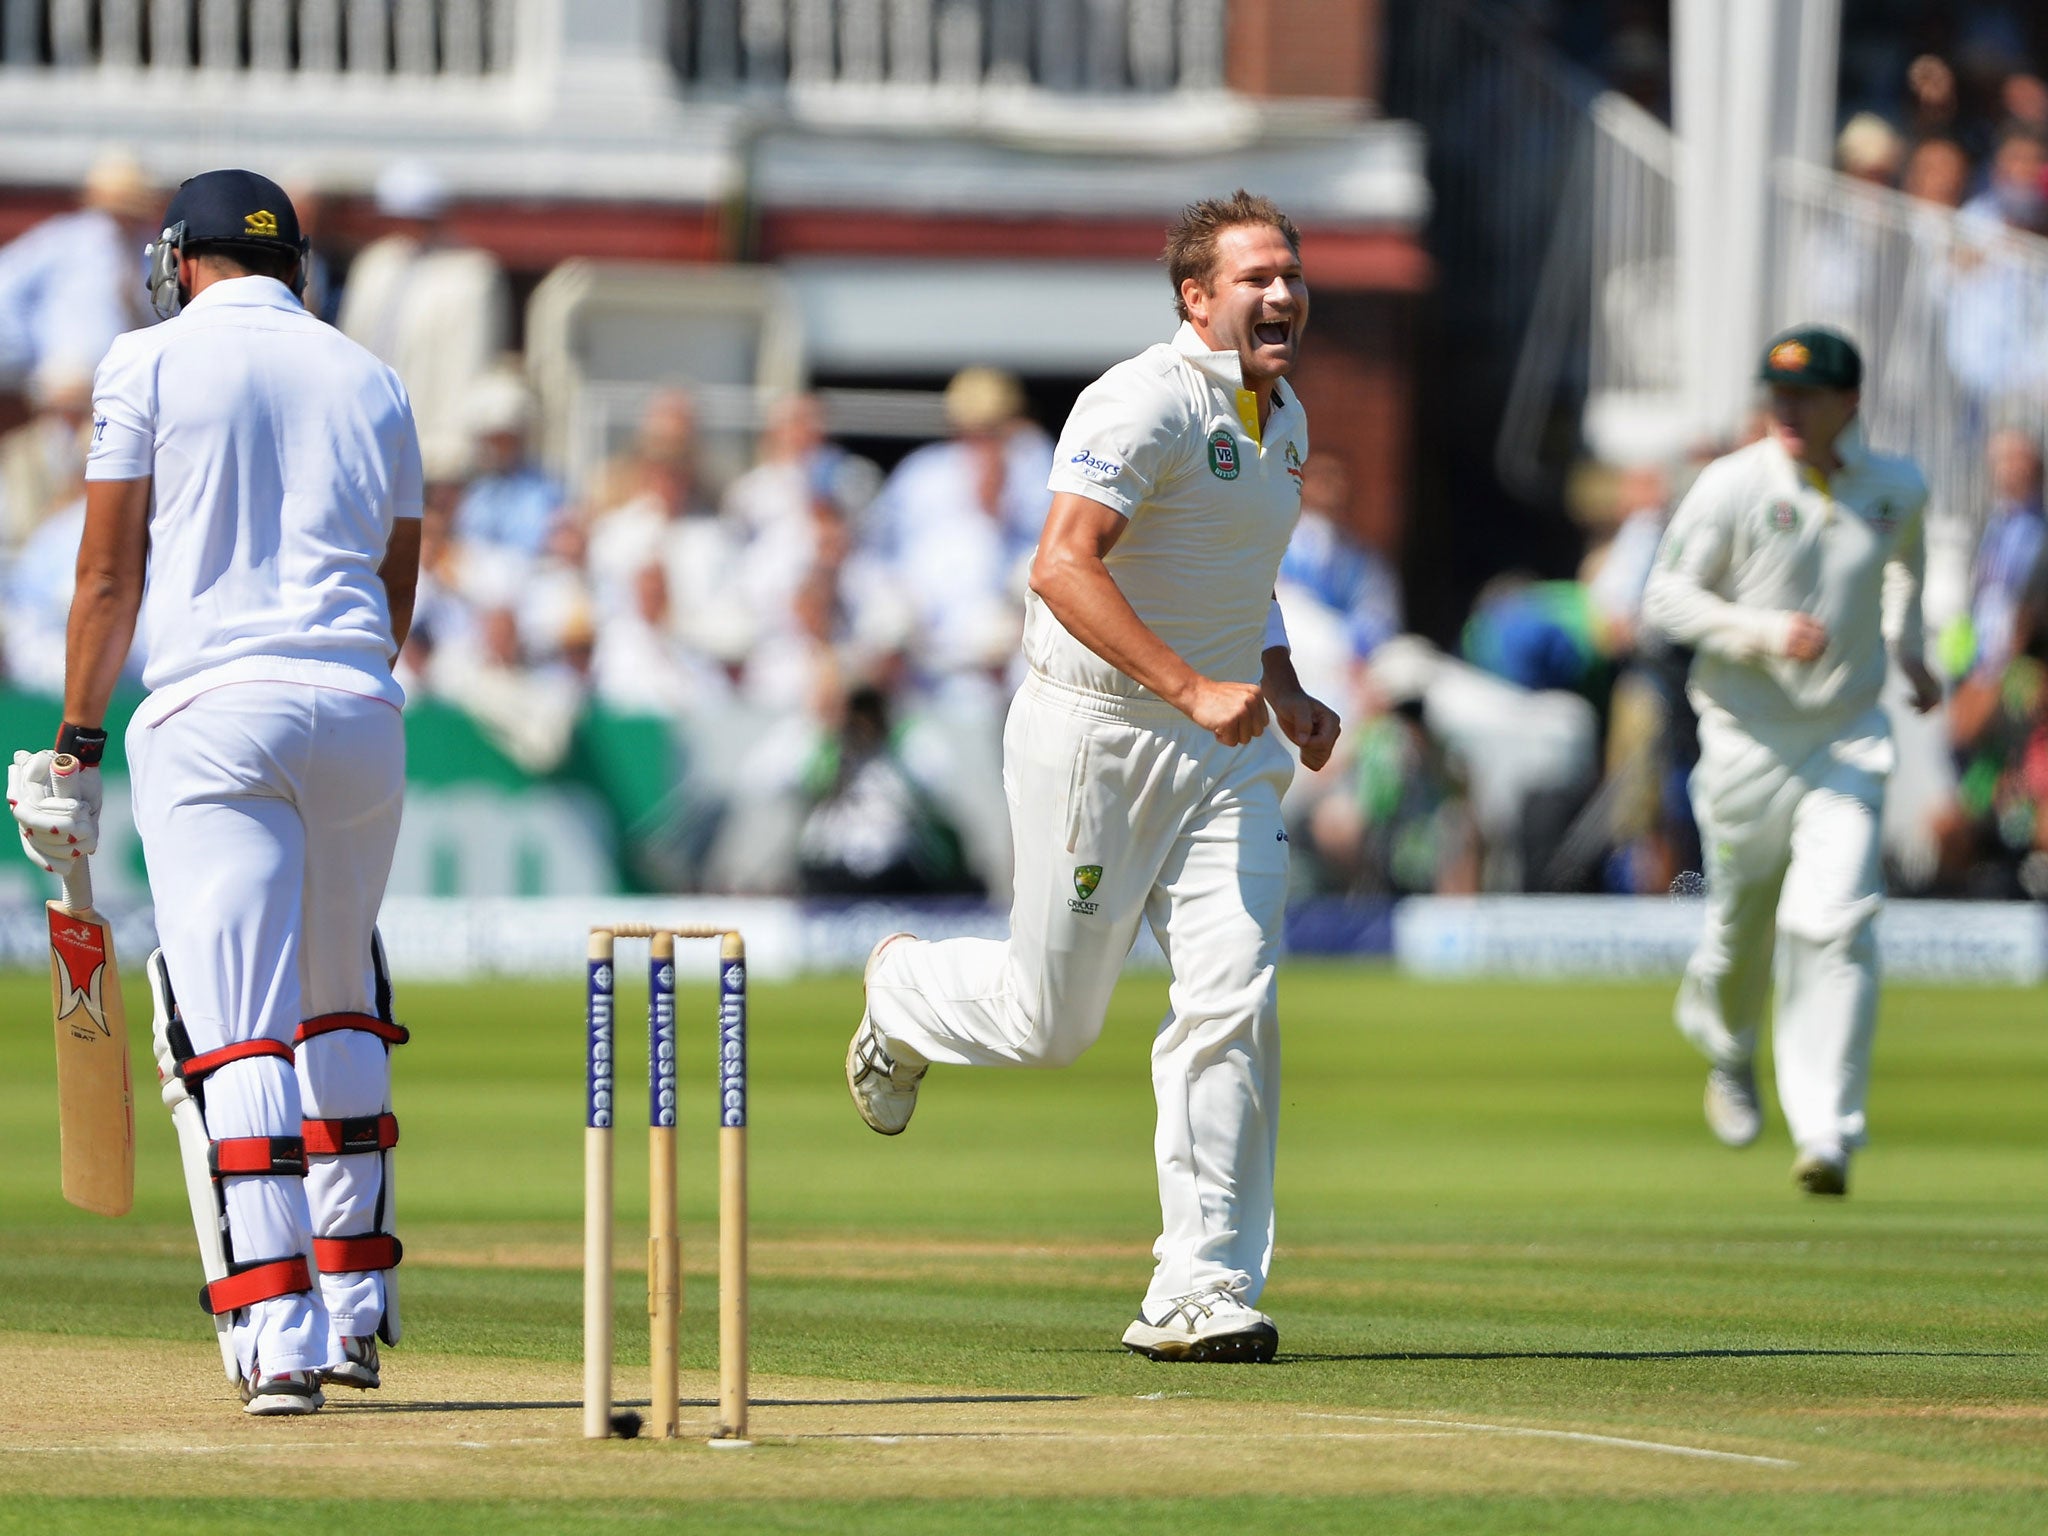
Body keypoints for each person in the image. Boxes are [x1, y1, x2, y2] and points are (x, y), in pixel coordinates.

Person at [844, 189, 1339, 1362]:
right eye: (1254, 278)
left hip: (1224, 754)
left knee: (1235, 996)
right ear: (1197, 297)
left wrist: (1279, 683)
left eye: (1290, 274)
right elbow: (1061, 568)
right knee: (1049, 1026)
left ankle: (1198, 1288)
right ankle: (903, 993)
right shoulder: (1138, 399)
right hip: (1097, 736)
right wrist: (1186, 688)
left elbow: (1235, 573)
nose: (1281, 294)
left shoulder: (1286, 418)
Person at [8, 170, 422, 1414]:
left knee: (232, 1023)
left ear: (181, 259)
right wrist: (345, 683)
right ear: (292, 263)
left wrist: (77, 739)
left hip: (207, 713)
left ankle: (280, 1333)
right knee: (339, 1001)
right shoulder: (373, 374)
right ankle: (355, 1308)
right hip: (359, 706)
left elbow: (103, 577)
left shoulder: (142, 362)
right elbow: (399, 578)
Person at [1643, 325, 1939, 1198]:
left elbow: (1903, 574)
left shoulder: (1897, 489)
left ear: (1850, 403)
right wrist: (1763, 632)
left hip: (1846, 740)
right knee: (1738, 928)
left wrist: (1908, 649)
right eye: (1777, 393)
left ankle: (1827, 1131)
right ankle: (1730, 1053)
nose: (1788, 410)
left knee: (1838, 918)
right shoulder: (1733, 484)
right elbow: (1666, 596)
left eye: (1806, 396)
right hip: (1744, 741)